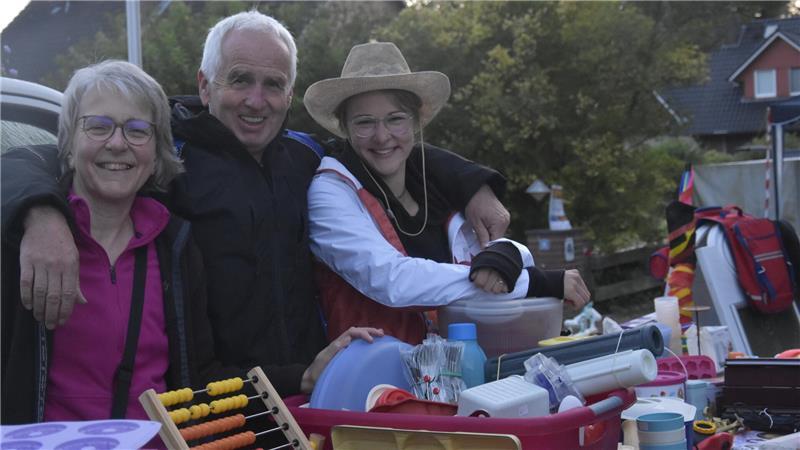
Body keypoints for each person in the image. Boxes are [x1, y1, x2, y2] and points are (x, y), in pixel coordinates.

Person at [1, 12, 509, 393]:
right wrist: (41, 215)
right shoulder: (160, 153)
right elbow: (42, 156)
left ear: (289, 94)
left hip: (308, 391)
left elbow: (384, 144)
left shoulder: (305, 155)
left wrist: (475, 183)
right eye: (240, 79)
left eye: (273, 85)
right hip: (209, 407)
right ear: (205, 85)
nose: (256, 99)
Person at [0, 60, 383, 427]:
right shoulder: (21, 241)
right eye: (98, 127)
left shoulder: (174, 249)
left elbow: (197, 381)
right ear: (67, 144)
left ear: (156, 153)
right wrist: (37, 214)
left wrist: (304, 377)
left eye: (137, 130)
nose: (117, 144)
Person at [304, 42, 591, 344]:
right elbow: (392, 280)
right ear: (344, 128)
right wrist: (534, 281)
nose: (382, 135)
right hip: (373, 377)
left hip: (452, 371)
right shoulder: (330, 191)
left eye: (396, 118)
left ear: (416, 121)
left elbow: (488, 260)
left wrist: (510, 252)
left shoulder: (437, 183)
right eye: (364, 122)